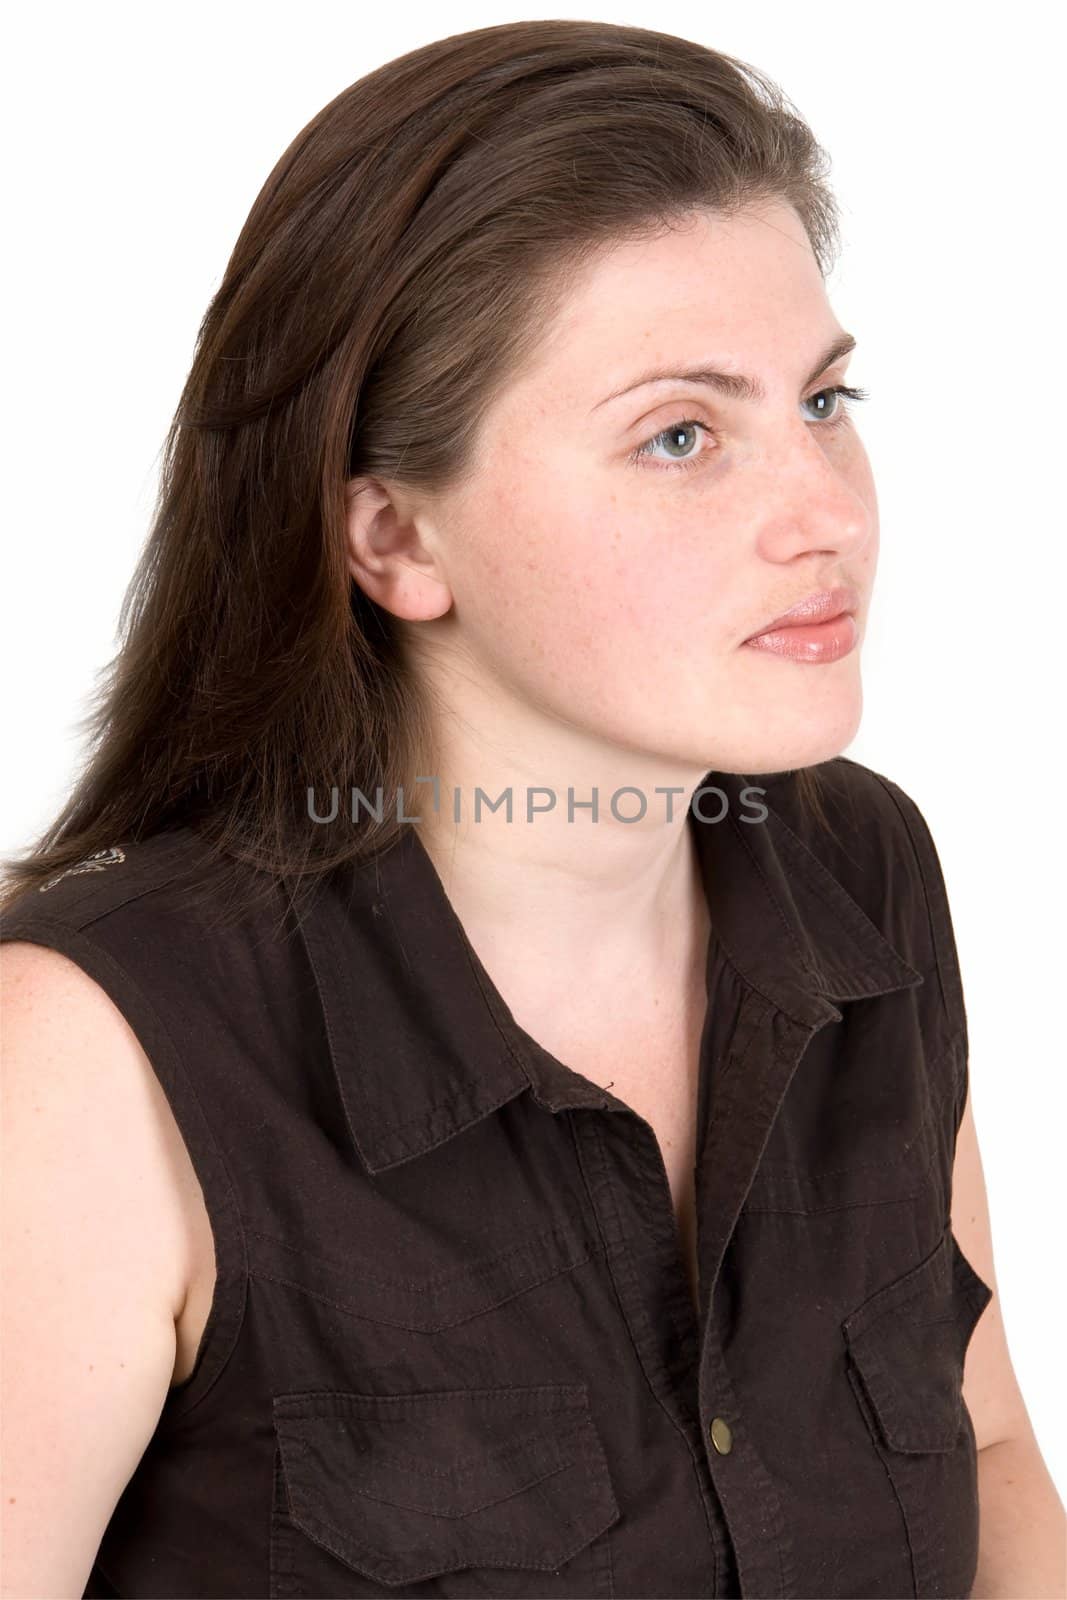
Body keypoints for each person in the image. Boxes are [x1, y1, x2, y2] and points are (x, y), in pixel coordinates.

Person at [2, 19, 1062, 1600]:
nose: (830, 513)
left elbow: (985, 1462)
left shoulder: (861, 870)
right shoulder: (88, 1056)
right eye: (681, 435)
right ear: (394, 541)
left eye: (827, 402)